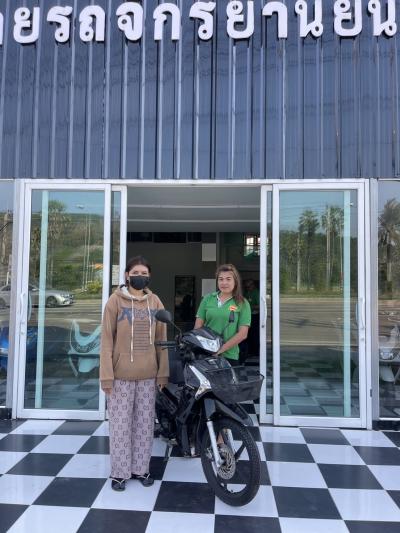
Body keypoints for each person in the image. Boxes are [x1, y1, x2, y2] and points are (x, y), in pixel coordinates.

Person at [100, 256, 169, 492]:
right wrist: (106, 376)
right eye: (136, 272)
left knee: (144, 425)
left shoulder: (155, 301)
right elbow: (106, 341)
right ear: (127, 275)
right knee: (120, 426)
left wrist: (163, 373)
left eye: (144, 273)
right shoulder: (114, 302)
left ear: (149, 276)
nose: (140, 276)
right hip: (120, 376)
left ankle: (141, 469)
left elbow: (161, 340)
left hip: (148, 375)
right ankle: (120, 473)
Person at [194, 264, 251, 365]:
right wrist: (205, 348)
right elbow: (198, 328)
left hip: (229, 356)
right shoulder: (208, 299)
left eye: (228, 279)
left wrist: (219, 350)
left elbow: (243, 334)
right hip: (206, 355)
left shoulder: (242, 303)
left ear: (235, 281)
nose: (224, 283)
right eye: (221, 279)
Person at [243, 279, 260, 358]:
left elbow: (260, 306)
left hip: (254, 316)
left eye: (249, 287)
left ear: (253, 285)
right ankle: (249, 351)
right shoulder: (246, 292)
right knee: (248, 334)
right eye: (246, 287)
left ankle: (255, 352)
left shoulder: (256, 293)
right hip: (247, 315)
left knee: (254, 334)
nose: (247, 288)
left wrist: (250, 307)